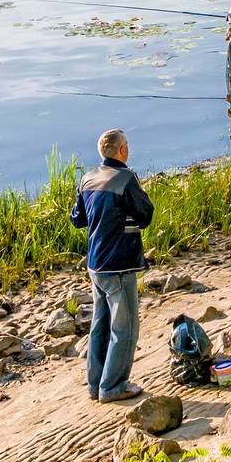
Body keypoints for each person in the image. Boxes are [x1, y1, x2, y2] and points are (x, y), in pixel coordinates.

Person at [70, 128, 154, 403]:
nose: (128, 149)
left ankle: (95, 385)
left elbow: (77, 219)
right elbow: (145, 214)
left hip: (95, 263)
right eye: (127, 145)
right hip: (119, 263)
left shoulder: (87, 179)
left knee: (100, 324)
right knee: (125, 327)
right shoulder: (125, 178)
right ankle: (114, 386)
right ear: (122, 151)